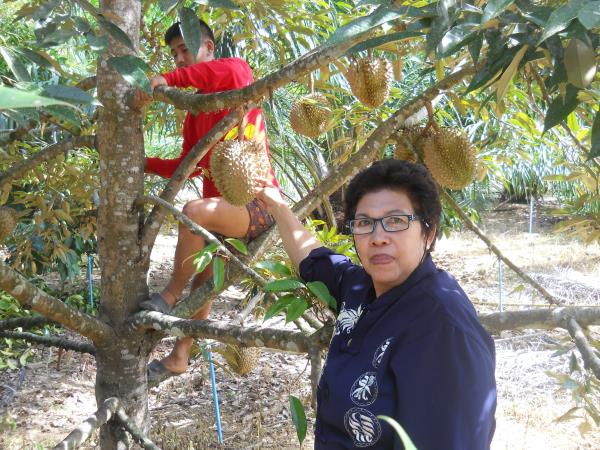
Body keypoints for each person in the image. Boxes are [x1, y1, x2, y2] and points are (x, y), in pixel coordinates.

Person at [255, 159, 496, 449]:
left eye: (396, 221)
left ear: (428, 233)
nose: (378, 237)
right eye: (365, 223)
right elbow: (313, 259)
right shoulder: (361, 288)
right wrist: (277, 206)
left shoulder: (444, 329)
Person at [137, 19, 279, 385]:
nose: (180, 58)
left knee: (194, 210)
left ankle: (169, 294)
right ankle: (179, 358)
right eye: (174, 54)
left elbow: (229, 71)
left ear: (209, 47)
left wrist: (169, 78)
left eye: (186, 49)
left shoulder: (235, 74)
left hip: (259, 206)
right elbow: (187, 167)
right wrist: (144, 164)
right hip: (222, 218)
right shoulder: (195, 117)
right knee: (204, 285)